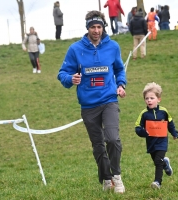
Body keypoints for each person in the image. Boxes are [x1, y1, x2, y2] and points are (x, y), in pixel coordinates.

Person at [57, 10, 127, 193]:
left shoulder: (113, 47)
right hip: (88, 106)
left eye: (99, 27)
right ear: (87, 28)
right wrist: (70, 79)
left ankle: (117, 177)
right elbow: (62, 74)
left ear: (104, 27)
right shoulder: (75, 49)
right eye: (92, 27)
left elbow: (119, 69)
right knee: (98, 146)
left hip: (109, 100)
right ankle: (106, 178)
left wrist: (121, 85)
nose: (96, 30)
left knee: (112, 139)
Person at [134, 82, 178, 190]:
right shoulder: (144, 113)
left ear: (159, 99)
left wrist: (174, 132)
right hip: (151, 143)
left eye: (152, 98)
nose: (149, 100)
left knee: (158, 161)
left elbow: (170, 122)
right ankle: (166, 163)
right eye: (146, 98)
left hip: (162, 141)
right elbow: (137, 127)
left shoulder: (164, 111)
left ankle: (157, 182)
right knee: (157, 161)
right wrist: (143, 132)